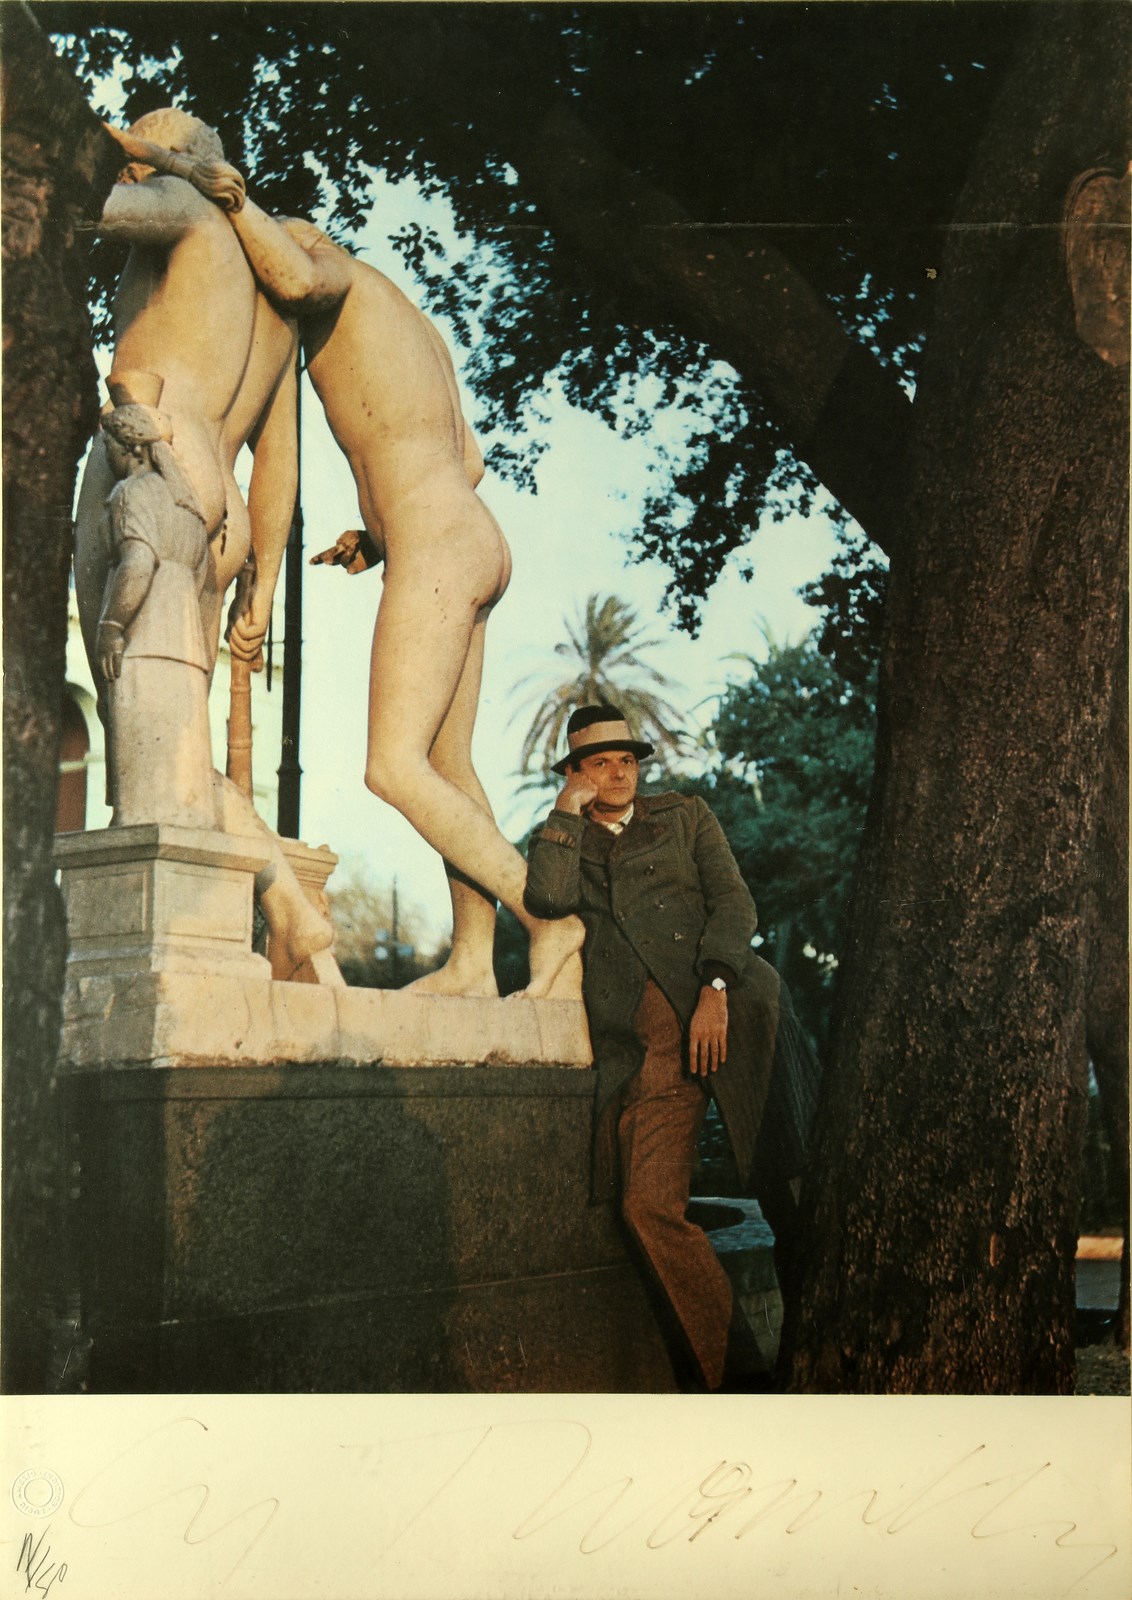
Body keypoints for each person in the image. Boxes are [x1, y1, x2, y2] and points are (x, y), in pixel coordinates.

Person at [198, 190, 584, 999]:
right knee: (448, 765)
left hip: (439, 546)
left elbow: (297, 278)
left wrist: (230, 203)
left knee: (391, 767)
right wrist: (375, 536)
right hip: (470, 535)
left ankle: (547, 917)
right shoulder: (411, 324)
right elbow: (469, 461)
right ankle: (473, 963)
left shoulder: (335, 276)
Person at [74, 115, 339, 982]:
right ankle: (290, 911)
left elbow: (74, 202)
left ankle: (153, 954)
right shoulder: (272, 309)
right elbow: (281, 462)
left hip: (149, 457)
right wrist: (262, 590)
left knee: (131, 714)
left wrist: (116, 157)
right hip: (217, 495)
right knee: (175, 740)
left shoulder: (182, 210)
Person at [524, 705, 821, 1391]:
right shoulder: (565, 839)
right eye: (599, 763)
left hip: (737, 1013)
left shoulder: (685, 816)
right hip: (651, 1040)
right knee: (648, 1207)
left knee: (791, 1191)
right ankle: (731, 1379)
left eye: (627, 760)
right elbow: (547, 898)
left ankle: (814, 1360)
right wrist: (565, 812)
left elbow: (735, 904)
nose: (618, 773)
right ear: (574, 774)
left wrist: (715, 986)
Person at [96, 391, 214, 830]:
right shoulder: (190, 508)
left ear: (132, 447)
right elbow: (200, 582)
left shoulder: (132, 492)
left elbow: (138, 563)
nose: (107, 454)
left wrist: (111, 625)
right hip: (186, 650)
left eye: (110, 445)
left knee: (141, 797)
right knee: (180, 791)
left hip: (142, 642)